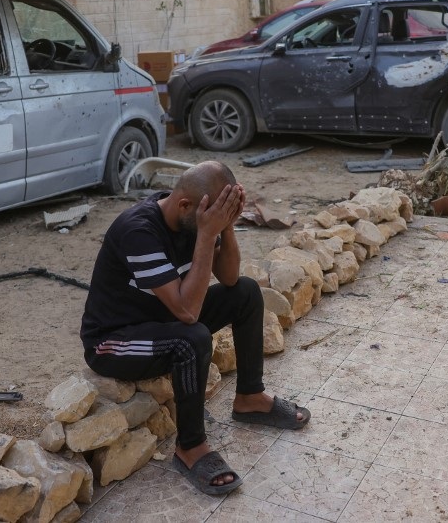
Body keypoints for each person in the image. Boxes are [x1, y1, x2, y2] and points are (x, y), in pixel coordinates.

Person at [80, 161, 308, 496]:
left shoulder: (193, 217)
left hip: (162, 319)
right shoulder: (138, 231)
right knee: (192, 338)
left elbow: (229, 277)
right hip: (114, 340)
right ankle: (190, 447)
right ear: (186, 205)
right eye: (216, 215)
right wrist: (207, 233)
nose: (215, 222)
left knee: (245, 292)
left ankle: (249, 397)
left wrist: (225, 227)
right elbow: (188, 313)